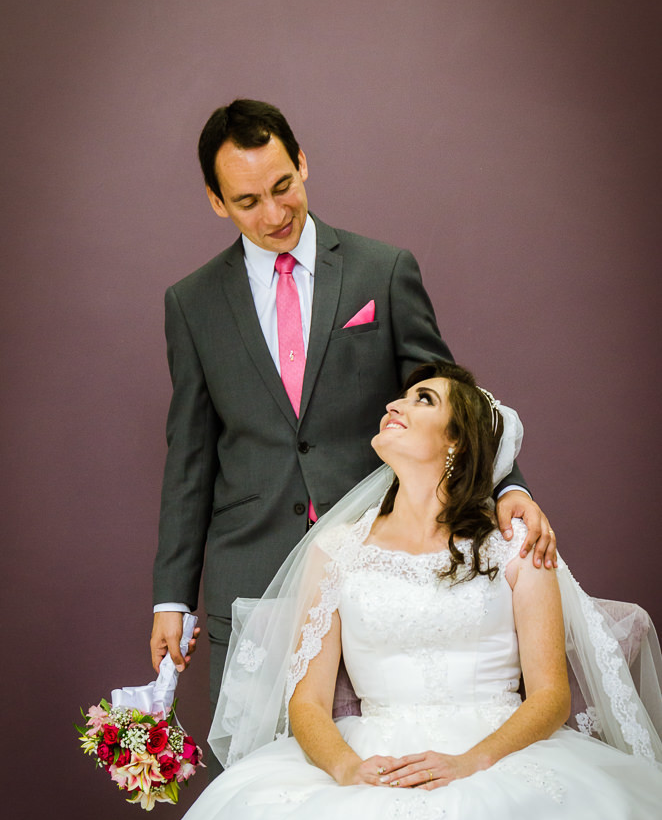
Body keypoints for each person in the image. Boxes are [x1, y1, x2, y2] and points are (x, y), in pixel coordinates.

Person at [115, 361, 662, 820]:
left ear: (457, 443)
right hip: (367, 749)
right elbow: (307, 701)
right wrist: (346, 768)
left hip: (495, 749)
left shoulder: (516, 545)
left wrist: (470, 763)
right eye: (402, 396)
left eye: (423, 399)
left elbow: (550, 696)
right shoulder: (336, 550)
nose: (393, 405)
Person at [149, 99, 555, 756]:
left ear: (303, 162)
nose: (275, 214)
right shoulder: (191, 304)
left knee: (376, 774)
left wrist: (510, 488)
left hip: (377, 576)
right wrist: (172, 598)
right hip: (249, 578)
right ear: (216, 202)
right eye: (248, 201)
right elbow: (190, 456)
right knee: (256, 784)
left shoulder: (382, 270)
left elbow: (453, 403)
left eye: (284, 186)